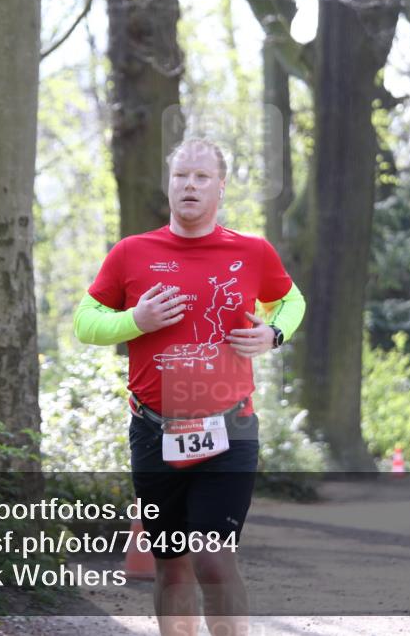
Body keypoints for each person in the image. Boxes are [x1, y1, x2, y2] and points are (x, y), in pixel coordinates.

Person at [73, 138, 305, 636]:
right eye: (181, 176)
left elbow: (292, 301)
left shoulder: (251, 251)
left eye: (201, 177)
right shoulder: (132, 253)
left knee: (213, 559)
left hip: (229, 428)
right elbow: (84, 323)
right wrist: (135, 320)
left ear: (221, 187)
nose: (190, 185)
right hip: (154, 431)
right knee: (171, 564)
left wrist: (274, 333)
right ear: (169, 184)